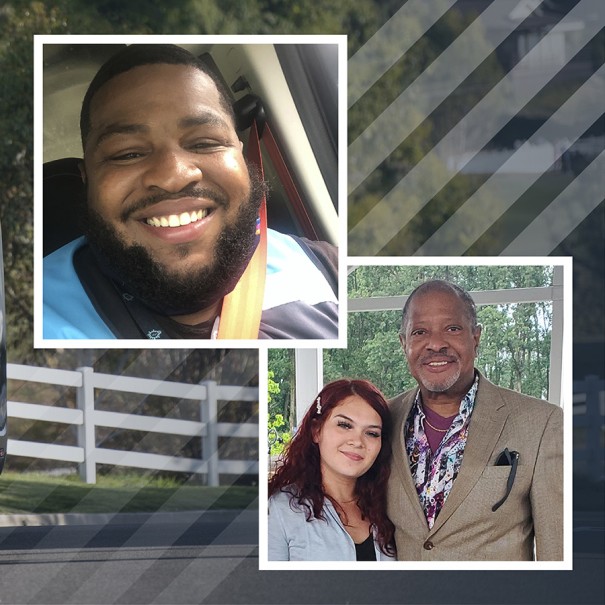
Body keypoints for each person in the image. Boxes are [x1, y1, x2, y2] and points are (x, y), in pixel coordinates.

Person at [43, 44, 338, 340]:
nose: (174, 176)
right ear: (86, 179)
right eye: (127, 154)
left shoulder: (325, 267)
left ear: (241, 151)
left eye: (204, 142)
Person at [388, 279, 563, 561]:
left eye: (452, 328)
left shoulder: (541, 423)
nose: (435, 344)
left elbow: (557, 550)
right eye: (419, 332)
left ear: (476, 337)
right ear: (404, 343)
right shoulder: (382, 421)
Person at [268, 379, 396, 561]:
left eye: (372, 433)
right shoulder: (279, 510)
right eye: (345, 425)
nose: (357, 441)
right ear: (316, 430)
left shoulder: (388, 508)